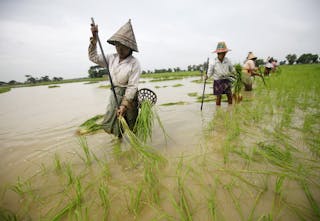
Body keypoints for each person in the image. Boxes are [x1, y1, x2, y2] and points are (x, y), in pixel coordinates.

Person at [89, 19, 141, 138]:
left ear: (130, 48)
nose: (119, 49)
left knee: (132, 122)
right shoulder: (111, 58)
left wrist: (124, 105)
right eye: (117, 45)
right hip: (115, 94)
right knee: (115, 122)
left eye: (123, 46)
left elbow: (132, 87)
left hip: (129, 96)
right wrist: (94, 40)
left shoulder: (134, 63)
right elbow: (93, 57)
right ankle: (119, 140)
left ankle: (135, 144)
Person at [205, 41, 235, 106]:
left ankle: (230, 109)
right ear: (218, 53)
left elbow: (232, 69)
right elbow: (210, 72)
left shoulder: (227, 61)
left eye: (225, 52)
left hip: (226, 79)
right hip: (218, 81)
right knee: (219, 97)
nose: (224, 54)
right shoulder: (213, 62)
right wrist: (207, 76)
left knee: (229, 95)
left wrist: (235, 73)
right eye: (222, 53)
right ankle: (218, 111)